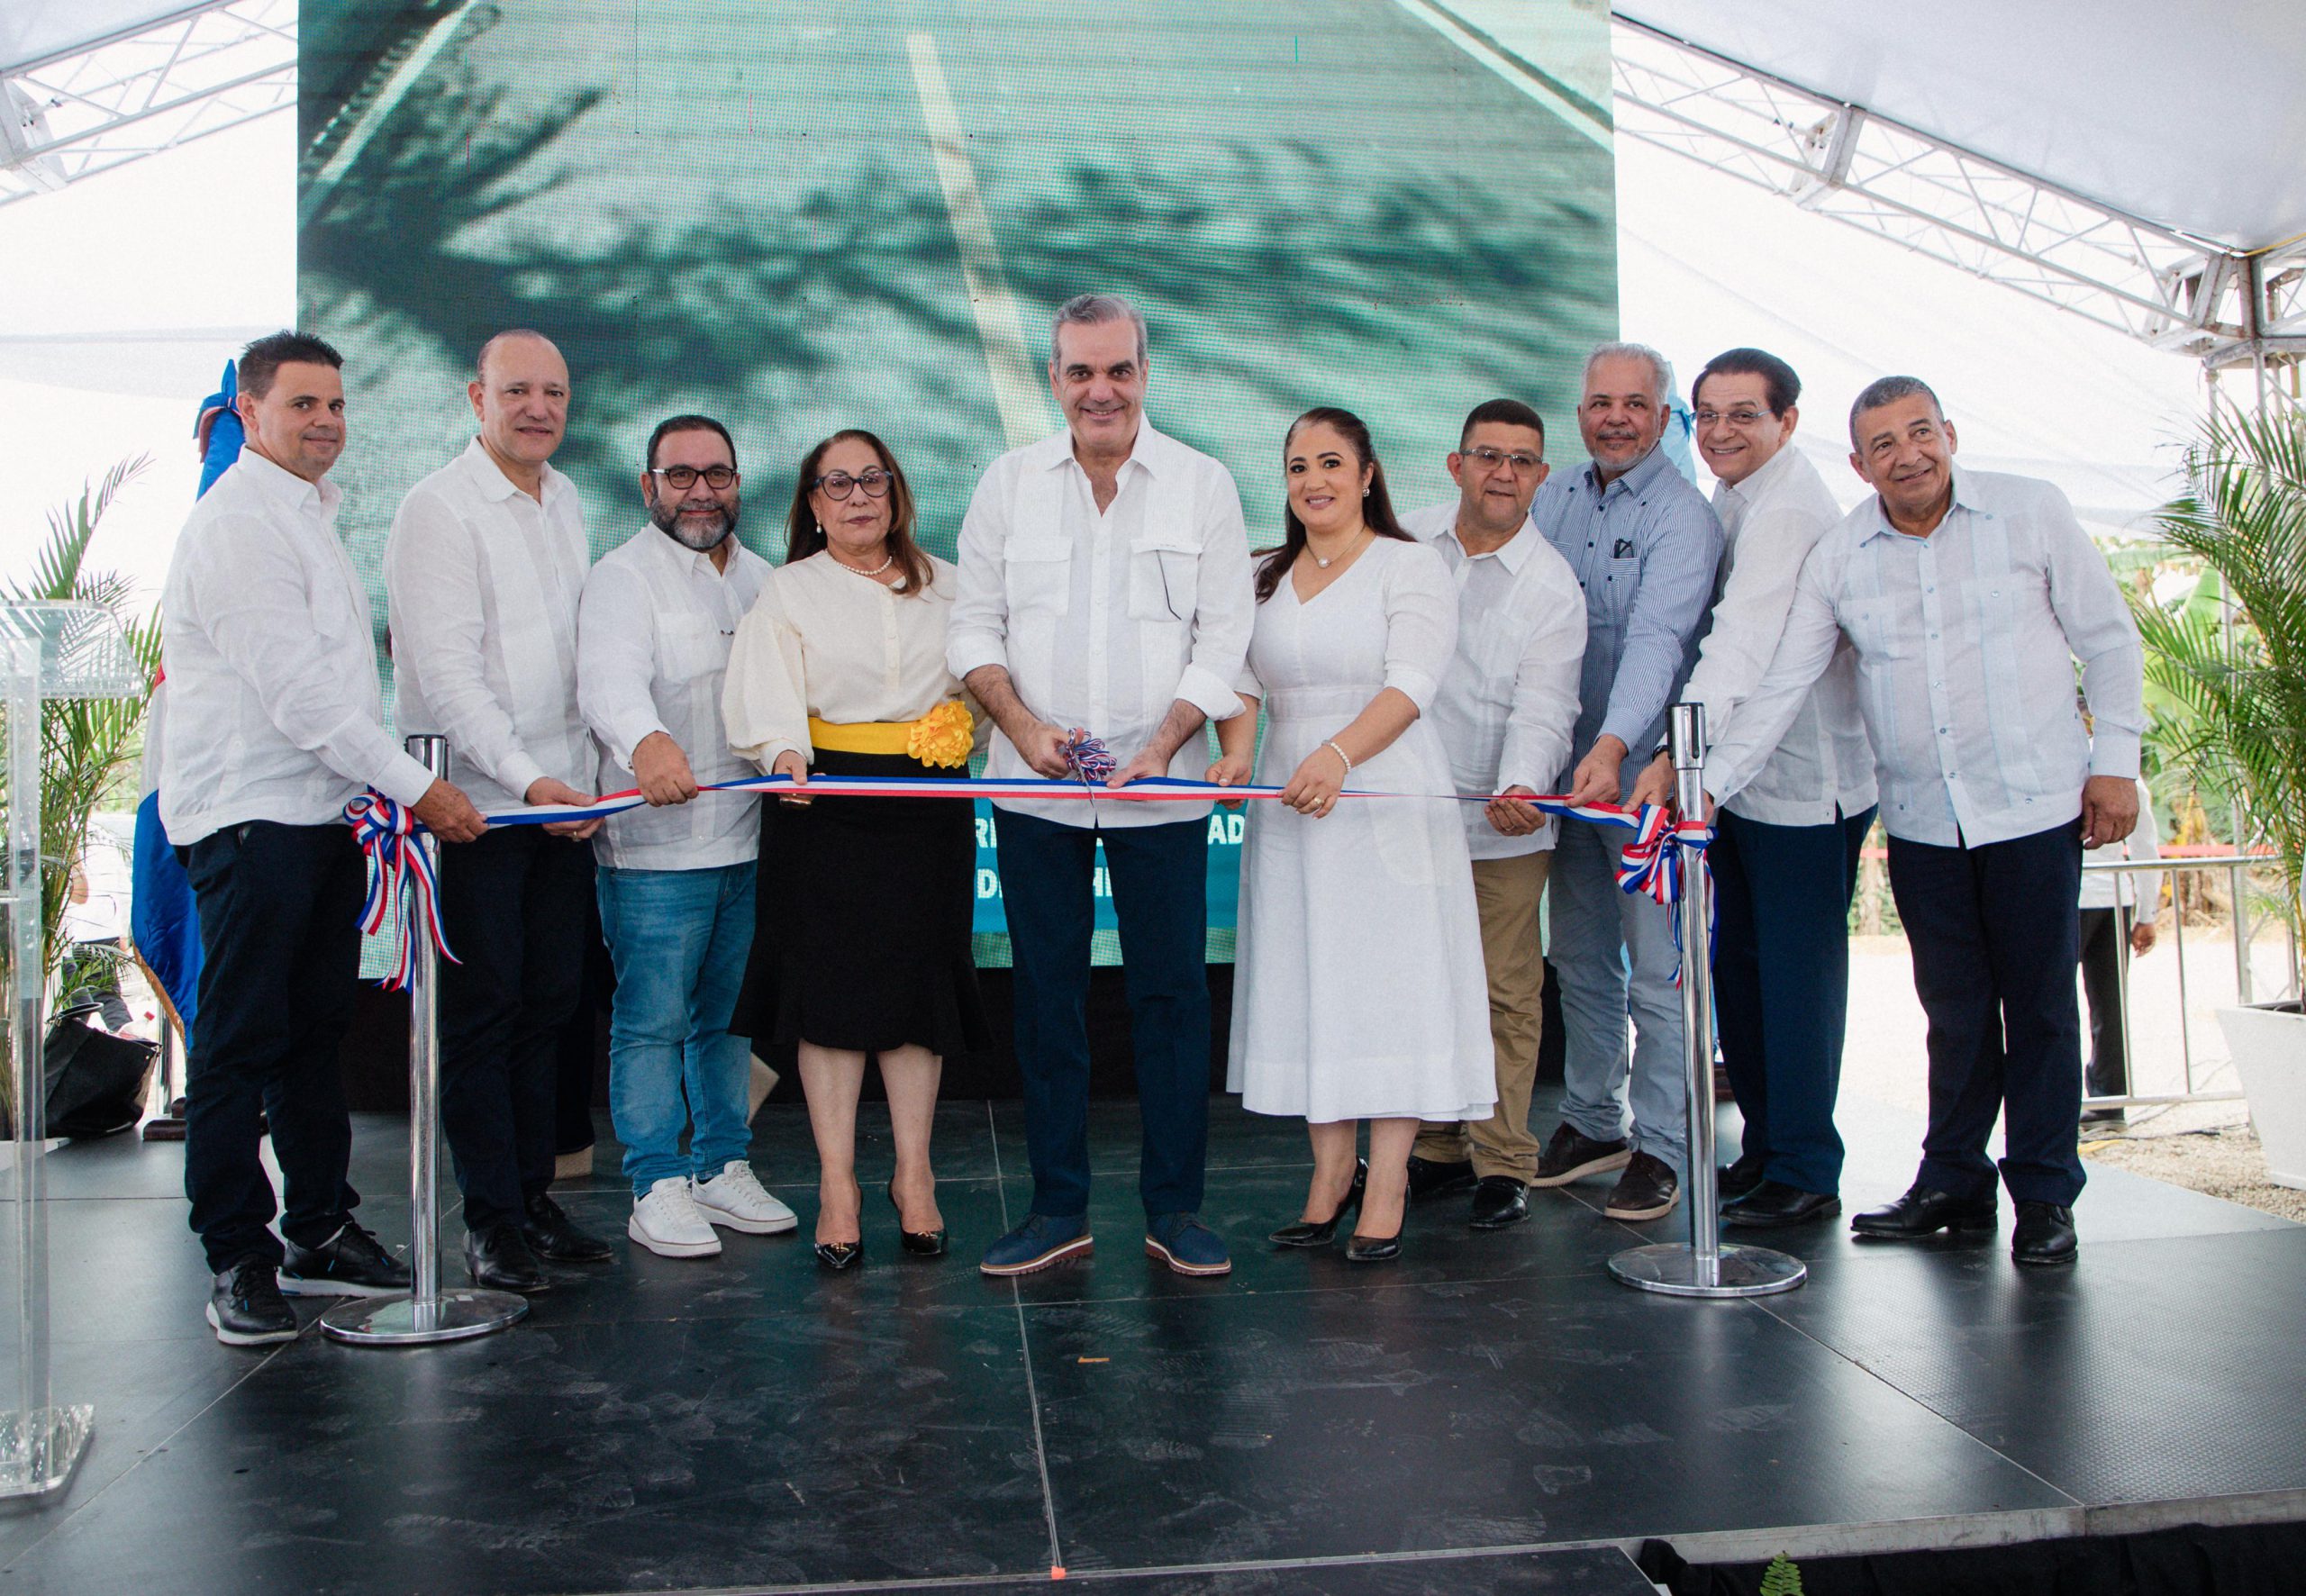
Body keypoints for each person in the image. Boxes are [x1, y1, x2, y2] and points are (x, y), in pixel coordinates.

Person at [1702, 376, 2145, 1266]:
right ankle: (1952, 1179)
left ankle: (2047, 1195)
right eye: (1883, 444)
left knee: (2043, 1009)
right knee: (1952, 1012)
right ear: (1859, 463)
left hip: (2032, 806)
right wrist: (1705, 786)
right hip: (1920, 819)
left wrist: (2117, 764)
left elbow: (2106, 636)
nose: (1907, 454)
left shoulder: (2030, 511)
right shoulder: (1841, 554)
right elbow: (1783, 680)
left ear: (1948, 431)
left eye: (1919, 433)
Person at [160, 331, 487, 1345]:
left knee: (309, 1036)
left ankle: (317, 1227)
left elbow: (332, 689)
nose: (327, 423)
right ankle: (237, 1255)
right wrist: (419, 787)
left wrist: (384, 786)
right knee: (239, 1045)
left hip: (316, 819)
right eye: (304, 404)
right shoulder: (239, 527)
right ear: (249, 412)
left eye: (337, 405)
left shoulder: (310, 516)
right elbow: (300, 697)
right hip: (249, 820)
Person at [948, 293, 1256, 1278]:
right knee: (1046, 1000)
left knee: (1171, 996)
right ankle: (1056, 1205)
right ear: (1055, 379)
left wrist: (1168, 738)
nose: (1101, 390)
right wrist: (1024, 727)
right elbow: (971, 630)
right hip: (1035, 792)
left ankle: (1176, 1206)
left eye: (1118, 369)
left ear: (1144, 373)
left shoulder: (1202, 484)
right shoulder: (1007, 484)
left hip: (1159, 793)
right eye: (1081, 372)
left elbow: (1225, 634)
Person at [1213, 407, 1493, 1263]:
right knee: (1314, 986)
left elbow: (1412, 684)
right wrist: (1234, 756)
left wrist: (1338, 755)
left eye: (1331, 463)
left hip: (1384, 796)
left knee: (1388, 991)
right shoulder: (1262, 573)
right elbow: (1241, 682)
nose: (1313, 482)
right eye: (1297, 467)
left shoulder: (1411, 568)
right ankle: (1328, 1180)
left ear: (1368, 474)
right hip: (1294, 811)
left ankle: (1386, 1184)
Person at [723, 428, 990, 1269]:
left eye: (873, 479)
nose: (858, 497)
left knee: (916, 997)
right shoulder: (788, 590)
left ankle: (915, 1177)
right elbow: (765, 692)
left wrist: (967, 728)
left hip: (926, 803)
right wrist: (782, 753)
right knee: (830, 1001)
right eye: (837, 485)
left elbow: (986, 680)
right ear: (812, 503)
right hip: (823, 803)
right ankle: (837, 1184)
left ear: (897, 491)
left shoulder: (951, 584)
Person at [383, 329, 611, 1293]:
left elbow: (581, 661)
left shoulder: (564, 503)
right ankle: (489, 1219)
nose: (537, 408)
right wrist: (527, 781)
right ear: (475, 396)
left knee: (551, 1005)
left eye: (553, 392)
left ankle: (530, 1197)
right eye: (517, 390)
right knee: (483, 1016)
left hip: (560, 808)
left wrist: (584, 779)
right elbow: (444, 675)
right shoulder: (436, 510)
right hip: (476, 814)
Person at [1628, 349, 1876, 1229]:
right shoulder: (1736, 497)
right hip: (1733, 784)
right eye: (1710, 414)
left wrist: (1674, 757)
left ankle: (1805, 1163)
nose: (1723, 431)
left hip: (1805, 789)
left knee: (1795, 983)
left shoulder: (1791, 512)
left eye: (1745, 414)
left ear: (1787, 421)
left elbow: (1740, 645)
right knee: (1742, 971)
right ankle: (1768, 1149)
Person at [576, 413, 794, 1259]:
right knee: (650, 1023)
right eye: (681, 476)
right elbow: (608, 683)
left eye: (717, 475)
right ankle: (656, 1182)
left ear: (738, 483)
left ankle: (721, 1167)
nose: (701, 491)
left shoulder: (765, 581)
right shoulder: (622, 579)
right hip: (654, 857)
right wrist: (646, 741)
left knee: (727, 1022)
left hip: (747, 844)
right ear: (648, 487)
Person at [1526, 342, 1724, 1221]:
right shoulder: (1553, 494)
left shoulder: (1686, 517)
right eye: (1599, 402)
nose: (1614, 417)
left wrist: (1613, 747)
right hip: (1563, 775)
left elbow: (1656, 640)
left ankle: (1664, 1146)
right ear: (1580, 414)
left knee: (1658, 968)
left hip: (1645, 779)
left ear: (1662, 414)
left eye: (1633, 403)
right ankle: (1591, 1117)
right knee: (1576, 954)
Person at [1394, 400, 1586, 1229]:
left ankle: (1503, 1157)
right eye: (1488, 456)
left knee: (1506, 990)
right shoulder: (1403, 541)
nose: (1504, 473)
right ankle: (1434, 1146)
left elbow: (1546, 707)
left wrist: (1520, 786)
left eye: (1522, 460)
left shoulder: (1554, 588)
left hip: (1500, 820)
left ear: (1541, 476)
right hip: (1401, 815)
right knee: (1416, 984)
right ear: (1456, 464)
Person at [2078, 775, 2162, 1129]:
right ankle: (2110, 1103)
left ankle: (2061, 1101)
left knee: (2051, 1006)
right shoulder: (2125, 776)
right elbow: (2146, 847)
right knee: (2110, 1007)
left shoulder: (2058, 761)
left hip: (2072, 895)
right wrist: (2147, 914)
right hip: (2115, 896)